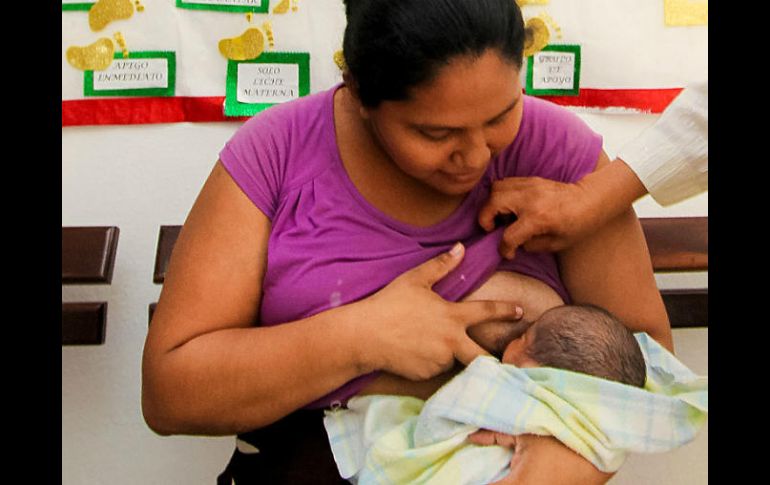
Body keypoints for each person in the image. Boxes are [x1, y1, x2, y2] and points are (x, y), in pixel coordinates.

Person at [141, 0, 672, 483]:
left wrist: (571, 459)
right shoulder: (277, 152)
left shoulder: (559, 150)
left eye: (501, 115)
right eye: (435, 134)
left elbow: (643, 358)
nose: (477, 157)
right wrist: (363, 337)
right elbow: (171, 394)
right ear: (358, 92)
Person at [325, 303, 646, 485]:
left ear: (528, 362)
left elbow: (438, 421)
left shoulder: (494, 383)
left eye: (522, 337)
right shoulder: (601, 420)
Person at [478, 81, 708, 259]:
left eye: (498, 119)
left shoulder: (557, 143)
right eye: (440, 134)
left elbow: (640, 320)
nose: (473, 159)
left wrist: (588, 196)